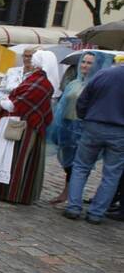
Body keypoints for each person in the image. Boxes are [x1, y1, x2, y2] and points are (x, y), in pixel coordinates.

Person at [0, 49, 59, 205]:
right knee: (6, 157)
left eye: (33, 58)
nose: (31, 61)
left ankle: (11, 193)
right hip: (18, 122)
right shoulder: (38, 79)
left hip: (24, 126)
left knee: (14, 159)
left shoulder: (40, 82)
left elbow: (18, 102)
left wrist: (5, 102)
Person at [63, 60, 124, 224]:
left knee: (81, 167)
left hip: (94, 124)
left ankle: (73, 207)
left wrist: (85, 116)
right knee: (111, 174)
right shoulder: (106, 73)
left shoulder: (104, 74)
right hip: (120, 131)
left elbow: (83, 99)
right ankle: (96, 213)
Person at [47, 52, 102, 204]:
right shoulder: (74, 83)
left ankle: (72, 197)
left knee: (80, 165)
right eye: (83, 62)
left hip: (83, 129)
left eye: (89, 63)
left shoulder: (96, 85)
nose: (84, 65)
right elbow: (62, 105)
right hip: (67, 126)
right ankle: (67, 192)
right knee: (68, 164)